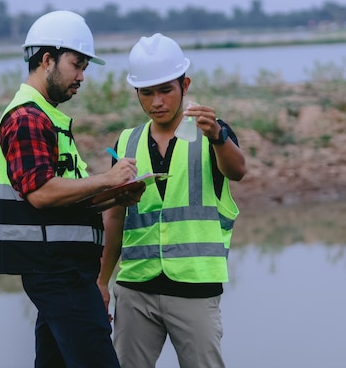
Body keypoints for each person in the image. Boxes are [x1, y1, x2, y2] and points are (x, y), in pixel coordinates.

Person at [0, 10, 144, 368]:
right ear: (47, 60)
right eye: (77, 65)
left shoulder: (48, 119)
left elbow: (66, 199)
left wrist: (114, 196)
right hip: (57, 272)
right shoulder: (27, 118)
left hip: (65, 269)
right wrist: (107, 179)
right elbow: (41, 193)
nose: (81, 77)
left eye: (85, 68)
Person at [97, 33, 247, 368]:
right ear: (136, 92)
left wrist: (218, 137)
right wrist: (102, 281)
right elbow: (115, 218)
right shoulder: (126, 142)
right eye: (147, 93)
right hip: (135, 285)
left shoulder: (212, 133)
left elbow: (237, 171)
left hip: (195, 285)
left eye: (165, 90)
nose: (157, 102)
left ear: (185, 84)